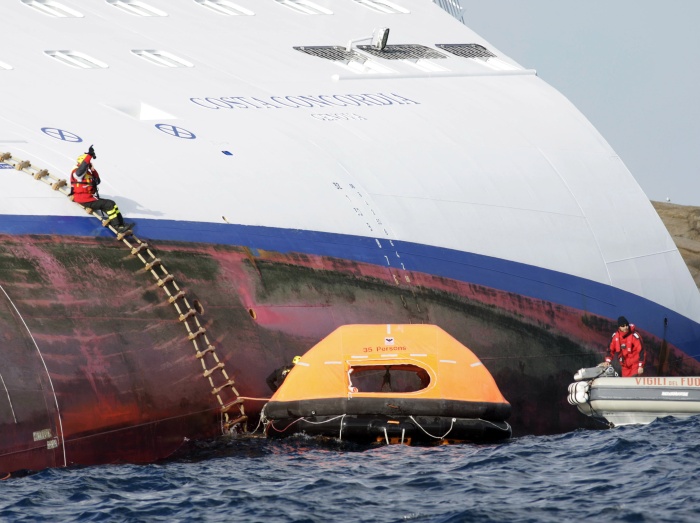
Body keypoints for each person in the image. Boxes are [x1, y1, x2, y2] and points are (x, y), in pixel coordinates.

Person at [70, 145, 133, 233]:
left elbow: (97, 181)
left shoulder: (88, 172)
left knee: (112, 204)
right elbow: (81, 170)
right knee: (109, 204)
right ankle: (117, 227)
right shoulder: (76, 173)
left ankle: (121, 224)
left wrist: (93, 170)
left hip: (89, 198)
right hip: (83, 199)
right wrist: (89, 156)